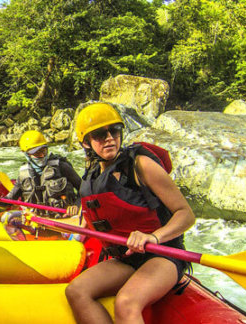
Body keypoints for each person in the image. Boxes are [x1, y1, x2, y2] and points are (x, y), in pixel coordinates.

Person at [65, 102, 195, 324]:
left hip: (162, 254)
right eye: (99, 134)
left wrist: (153, 237)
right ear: (85, 142)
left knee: (126, 302)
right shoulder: (93, 177)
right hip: (126, 257)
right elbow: (84, 223)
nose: (109, 138)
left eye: (114, 131)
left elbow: (186, 214)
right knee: (76, 291)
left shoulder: (140, 165)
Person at [0, 130, 81, 240]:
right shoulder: (23, 174)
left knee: (80, 229)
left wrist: (76, 206)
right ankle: (25, 247)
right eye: (37, 153)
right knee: (7, 217)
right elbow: (9, 200)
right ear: (26, 154)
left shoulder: (62, 167)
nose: (42, 155)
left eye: (44, 150)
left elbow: (83, 190)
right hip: (37, 221)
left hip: (63, 221)